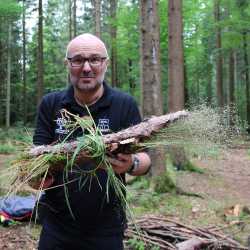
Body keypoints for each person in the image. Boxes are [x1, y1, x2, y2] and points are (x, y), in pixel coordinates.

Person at [33, 33, 151, 250]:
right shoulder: (51, 104)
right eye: (78, 60)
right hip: (57, 226)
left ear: (105, 64)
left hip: (106, 228)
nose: (86, 67)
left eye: (95, 59)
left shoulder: (124, 104)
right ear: (68, 64)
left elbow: (145, 160)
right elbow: (35, 160)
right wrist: (35, 177)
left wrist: (131, 163)